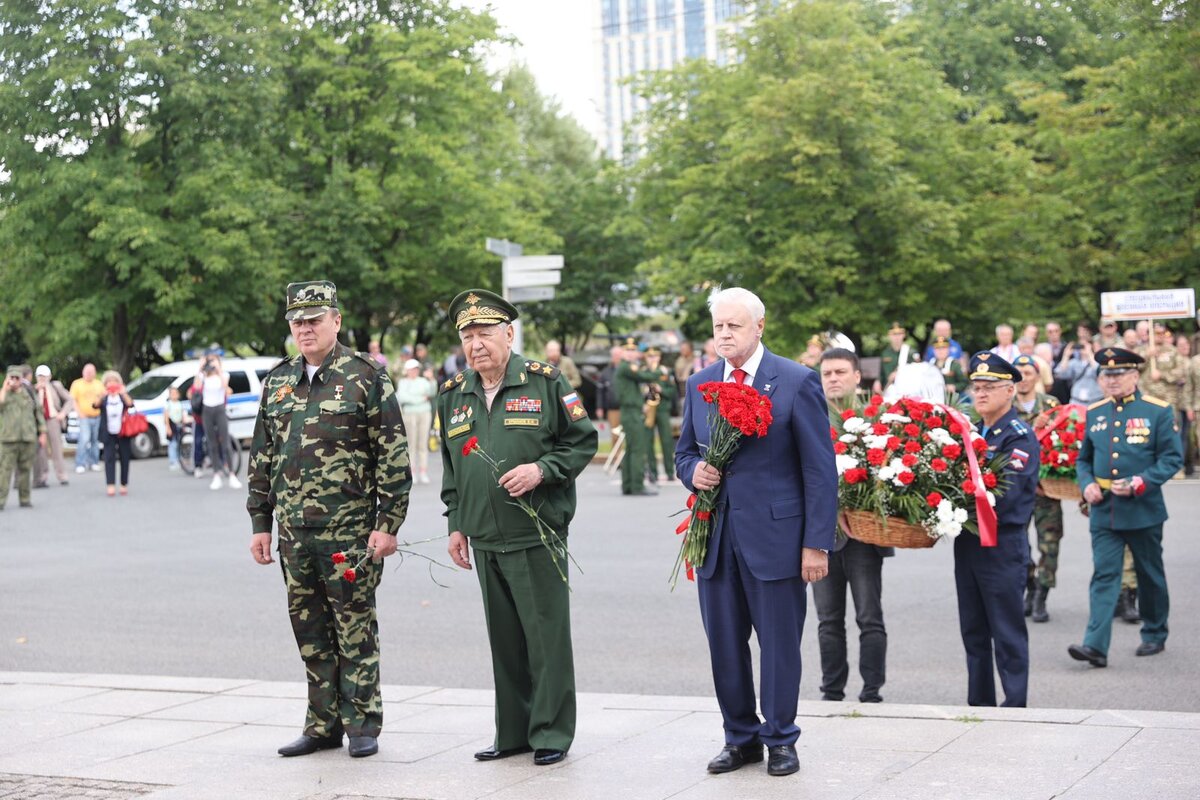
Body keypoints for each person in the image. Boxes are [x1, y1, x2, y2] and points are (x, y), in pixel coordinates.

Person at [676, 287, 837, 777]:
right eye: (719, 326)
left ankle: (781, 738)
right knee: (724, 644)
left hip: (777, 541)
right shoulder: (699, 383)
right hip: (715, 539)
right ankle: (740, 738)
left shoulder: (795, 380)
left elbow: (819, 471)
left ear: (759, 327)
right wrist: (694, 471)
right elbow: (684, 452)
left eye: (734, 326)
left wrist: (816, 543)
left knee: (779, 646)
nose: (724, 334)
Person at [248, 280, 411, 760]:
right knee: (310, 630)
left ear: (336, 321)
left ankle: (362, 724)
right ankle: (321, 725)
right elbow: (262, 458)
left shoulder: (366, 377)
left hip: (350, 532)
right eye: (298, 322)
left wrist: (389, 524)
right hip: (294, 535)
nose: (305, 329)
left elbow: (393, 459)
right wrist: (260, 521)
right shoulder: (278, 381)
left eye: (314, 320)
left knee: (354, 627)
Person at [437, 288, 597, 767]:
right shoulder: (454, 394)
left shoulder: (544, 381)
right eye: (467, 335)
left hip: (536, 531)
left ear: (509, 333)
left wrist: (542, 470)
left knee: (544, 636)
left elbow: (582, 442)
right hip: (484, 535)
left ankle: (551, 732)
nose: (476, 343)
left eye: (485, 332)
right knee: (504, 641)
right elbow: (451, 468)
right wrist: (456, 523)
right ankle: (513, 732)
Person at [1068, 347, 1183, 668]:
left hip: (1143, 509)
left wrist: (1140, 482)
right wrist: (1086, 482)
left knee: (1149, 574)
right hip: (1105, 510)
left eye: (1119, 374)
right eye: (1106, 375)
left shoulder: (1157, 411)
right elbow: (1084, 460)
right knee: (1105, 576)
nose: (1112, 380)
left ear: (1135, 376)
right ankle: (1095, 646)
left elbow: (1171, 459)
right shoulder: (1096, 412)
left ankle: (1155, 632)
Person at [955, 353, 1039, 707]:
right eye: (977, 387)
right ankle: (981, 703)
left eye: (990, 387)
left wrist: (956, 503)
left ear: (1010, 391)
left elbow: (1006, 493)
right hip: (970, 542)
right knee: (973, 630)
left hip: (1003, 544)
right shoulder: (973, 433)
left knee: (1006, 631)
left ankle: (1015, 704)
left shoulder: (1017, 437)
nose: (981, 394)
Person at [815, 348, 891, 704]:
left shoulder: (876, 420)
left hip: (862, 537)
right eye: (827, 372)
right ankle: (832, 690)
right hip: (821, 538)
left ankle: (872, 690)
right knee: (828, 621)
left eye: (840, 372)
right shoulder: (810, 417)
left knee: (869, 617)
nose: (833, 378)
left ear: (857, 377)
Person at [1012, 354, 1061, 623]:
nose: (1023, 379)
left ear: (1037, 377)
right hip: (1019, 489)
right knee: (1019, 543)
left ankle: (1042, 594)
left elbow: (1064, 444)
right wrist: (1033, 427)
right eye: (1018, 374)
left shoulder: (1050, 405)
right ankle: (1029, 585)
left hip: (1047, 489)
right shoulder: (1006, 407)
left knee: (1050, 544)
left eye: (1028, 373)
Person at [614, 339, 659, 495]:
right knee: (638, 449)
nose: (632, 353)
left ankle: (628, 485)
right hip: (631, 411)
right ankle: (637, 486)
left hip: (629, 411)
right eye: (628, 351)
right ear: (623, 352)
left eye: (633, 350)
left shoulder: (625, 367)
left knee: (631, 449)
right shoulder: (627, 367)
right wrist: (657, 370)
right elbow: (645, 376)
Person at [1, 366, 46, 510]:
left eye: (17, 378)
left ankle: (25, 499)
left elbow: (38, 413)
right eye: (11, 378)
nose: (14, 381)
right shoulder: (5, 394)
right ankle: (1, 500)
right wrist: (5, 388)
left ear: (21, 379)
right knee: (4, 471)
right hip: (9, 438)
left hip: (27, 437)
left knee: (26, 470)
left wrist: (43, 432)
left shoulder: (29, 394)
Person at [196, 355, 240, 491]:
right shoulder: (204, 376)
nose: (212, 365)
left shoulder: (224, 374)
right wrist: (200, 367)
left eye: (214, 362)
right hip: (207, 410)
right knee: (212, 442)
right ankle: (217, 474)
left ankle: (232, 474)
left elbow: (225, 386)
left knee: (225, 442)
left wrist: (219, 370)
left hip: (220, 408)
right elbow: (196, 387)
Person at [94, 370, 134, 497]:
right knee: (109, 458)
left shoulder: (122, 396)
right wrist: (102, 395)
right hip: (108, 432)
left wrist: (123, 392)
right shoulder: (104, 397)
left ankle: (123, 484)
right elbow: (95, 405)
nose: (112, 383)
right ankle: (110, 484)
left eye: (114, 381)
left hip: (123, 431)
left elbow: (131, 404)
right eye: (109, 381)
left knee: (124, 458)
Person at [396, 358, 436, 485]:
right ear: (407, 371)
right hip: (409, 414)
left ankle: (423, 471)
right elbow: (402, 397)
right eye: (411, 369)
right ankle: (412, 471)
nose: (413, 371)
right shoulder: (402, 382)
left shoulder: (424, 381)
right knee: (411, 444)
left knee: (423, 443)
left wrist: (432, 380)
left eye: (415, 369)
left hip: (424, 413)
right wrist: (420, 399)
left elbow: (432, 392)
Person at [33, 365, 73, 487]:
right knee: (41, 450)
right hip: (38, 421)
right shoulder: (32, 389)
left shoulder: (55, 387)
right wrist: (35, 390)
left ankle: (62, 475)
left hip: (53, 419)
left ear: (49, 376)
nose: (42, 378)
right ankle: (42, 476)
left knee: (57, 448)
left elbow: (69, 400)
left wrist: (63, 413)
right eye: (40, 376)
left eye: (44, 376)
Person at [643, 346, 677, 483]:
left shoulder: (665, 372)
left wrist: (661, 389)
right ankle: (652, 472)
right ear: (646, 358)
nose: (652, 359)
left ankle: (669, 471)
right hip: (648, 409)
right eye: (650, 356)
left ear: (659, 357)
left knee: (666, 441)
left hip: (662, 408)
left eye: (655, 356)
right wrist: (644, 392)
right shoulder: (642, 372)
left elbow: (672, 392)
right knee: (648, 441)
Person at [69, 363, 104, 473]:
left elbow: (104, 397)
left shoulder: (98, 384)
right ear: (83, 372)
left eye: (91, 372)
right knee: (84, 439)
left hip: (97, 416)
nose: (89, 374)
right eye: (87, 372)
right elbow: (73, 400)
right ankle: (80, 463)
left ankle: (94, 462)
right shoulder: (77, 384)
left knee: (95, 440)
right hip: (84, 416)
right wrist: (79, 413)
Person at [1055, 340, 1104, 406]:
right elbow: (1060, 373)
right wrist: (1066, 355)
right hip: (1076, 400)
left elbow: (1099, 372)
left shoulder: (1098, 363)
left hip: (1095, 400)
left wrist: (1089, 354)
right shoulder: (1074, 362)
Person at [875, 322, 919, 394]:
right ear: (889, 335)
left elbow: (917, 373)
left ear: (904, 335)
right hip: (888, 390)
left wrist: (899, 374)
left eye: (899, 334)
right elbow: (881, 373)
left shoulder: (911, 353)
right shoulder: (885, 353)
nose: (897, 337)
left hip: (907, 391)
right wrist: (878, 381)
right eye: (894, 334)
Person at [595, 345, 622, 441]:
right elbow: (600, 391)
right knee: (615, 434)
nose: (617, 357)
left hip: (627, 408)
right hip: (612, 409)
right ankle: (617, 455)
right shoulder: (605, 372)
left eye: (619, 354)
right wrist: (599, 407)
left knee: (631, 435)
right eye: (615, 355)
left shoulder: (629, 370)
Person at [163, 386, 187, 471]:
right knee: (172, 444)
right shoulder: (168, 404)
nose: (174, 395)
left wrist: (184, 425)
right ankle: (173, 461)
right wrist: (168, 427)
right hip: (172, 425)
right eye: (172, 394)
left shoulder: (180, 403)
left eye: (175, 393)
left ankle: (179, 460)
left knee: (179, 443)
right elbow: (166, 416)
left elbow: (182, 415)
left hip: (179, 425)